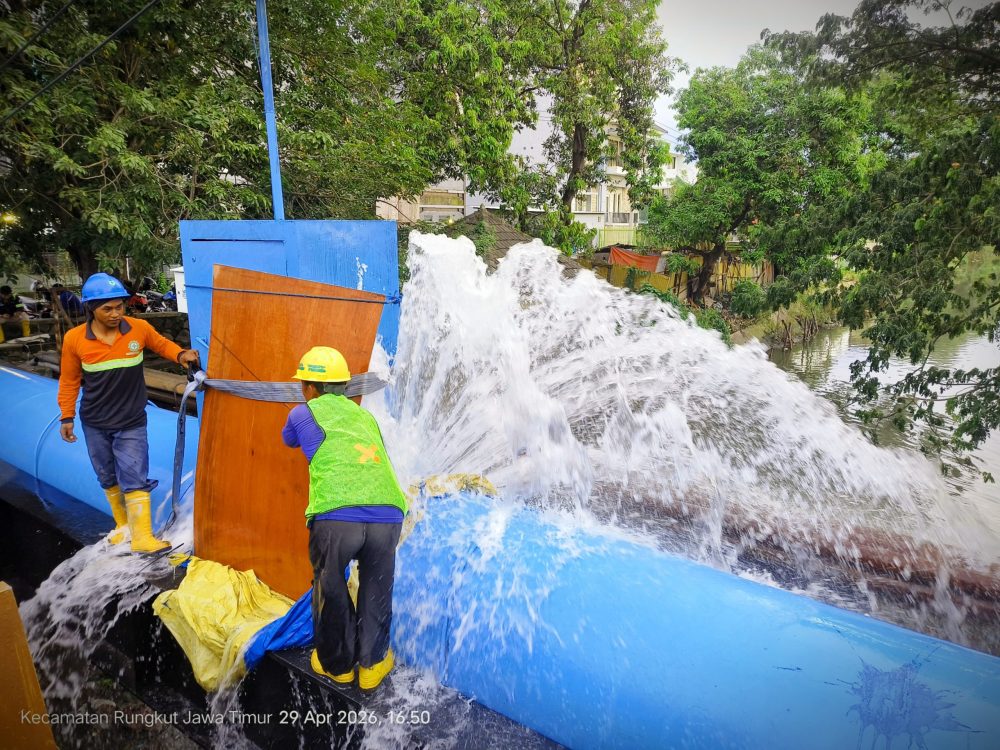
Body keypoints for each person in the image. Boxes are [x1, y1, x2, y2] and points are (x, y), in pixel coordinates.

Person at [281, 346, 407, 691]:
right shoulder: (365, 417)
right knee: (378, 587)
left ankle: (337, 665)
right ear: (345, 386)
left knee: (331, 585)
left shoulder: (302, 412)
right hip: (388, 513)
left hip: (337, 516)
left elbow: (288, 440)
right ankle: (373, 666)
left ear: (307, 387)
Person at [57, 272, 200, 553]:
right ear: (91, 309)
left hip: (131, 420)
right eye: (107, 309)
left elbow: (161, 344)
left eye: (119, 306)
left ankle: (143, 536)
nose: (115, 314)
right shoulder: (75, 340)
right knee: (107, 476)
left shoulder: (137, 329)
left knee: (134, 474)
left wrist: (181, 355)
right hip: (94, 421)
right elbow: (69, 380)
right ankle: (123, 526)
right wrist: (66, 416)